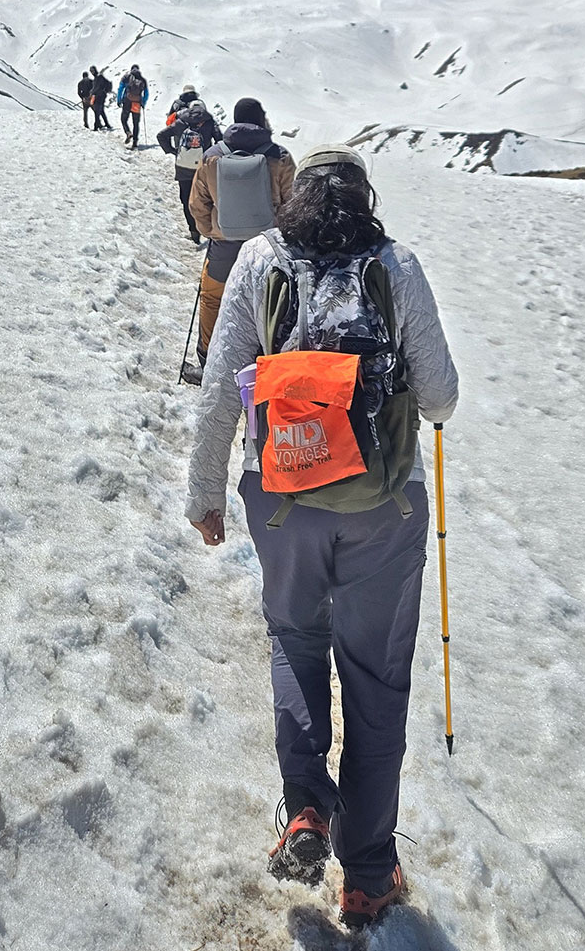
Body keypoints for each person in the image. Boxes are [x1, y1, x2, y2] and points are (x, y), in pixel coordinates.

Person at [185, 145, 459, 929]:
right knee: (375, 680)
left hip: (282, 499)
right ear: (363, 199)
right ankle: (368, 874)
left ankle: (304, 809)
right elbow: (440, 398)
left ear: (295, 199)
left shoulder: (262, 261)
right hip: (385, 506)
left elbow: (220, 384)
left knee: (296, 640)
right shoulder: (394, 264)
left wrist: (205, 492)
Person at [189, 97, 295, 368]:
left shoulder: (212, 156)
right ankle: (263, 364)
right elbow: (293, 204)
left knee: (213, 299)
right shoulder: (280, 157)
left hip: (224, 245)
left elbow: (197, 204)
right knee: (268, 306)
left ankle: (208, 361)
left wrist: (212, 230)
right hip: (268, 248)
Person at [156, 98, 222, 244]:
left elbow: (161, 135)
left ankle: (193, 231)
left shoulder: (181, 122)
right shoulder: (209, 122)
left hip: (183, 167)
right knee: (208, 198)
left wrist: (173, 151)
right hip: (204, 166)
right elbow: (220, 140)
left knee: (186, 199)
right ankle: (209, 229)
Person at [116, 64, 148, 149]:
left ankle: (128, 133)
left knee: (123, 119)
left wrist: (119, 100)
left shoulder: (126, 77)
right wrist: (143, 103)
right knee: (136, 123)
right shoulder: (142, 79)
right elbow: (146, 93)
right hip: (137, 103)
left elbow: (120, 89)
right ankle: (135, 142)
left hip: (127, 101)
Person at [89, 66, 113, 130]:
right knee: (101, 110)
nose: (92, 72)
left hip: (99, 96)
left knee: (97, 111)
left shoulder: (98, 78)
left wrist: (91, 92)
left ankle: (96, 126)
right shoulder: (100, 77)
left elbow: (96, 88)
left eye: (92, 71)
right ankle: (107, 124)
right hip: (102, 96)